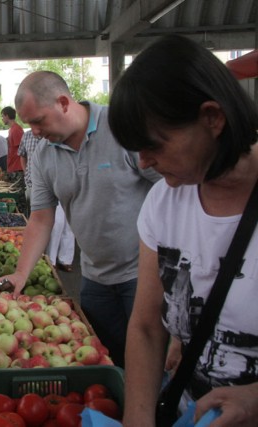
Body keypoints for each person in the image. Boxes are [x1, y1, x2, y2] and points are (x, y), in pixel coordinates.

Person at [108, 35, 258, 426]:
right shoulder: (163, 203)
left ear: (212, 118)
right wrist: (137, 418)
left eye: (154, 145)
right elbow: (145, 326)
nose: (143, 164)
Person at [0, 71, 161, 368]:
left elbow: (169, 187)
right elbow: (41, 218)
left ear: (63, 103)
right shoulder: (45, 154)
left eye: (38, 120)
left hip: (144, 275)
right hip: (94, 278)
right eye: (29, 123)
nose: (34, 131)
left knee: (151, 364)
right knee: (106, 362)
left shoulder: (122, 128)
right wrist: (21, 273)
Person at [18, 130, 75, 270]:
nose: (36, 128)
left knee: (68, 223)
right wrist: (26, 172)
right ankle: (51, 259)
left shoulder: (63, 134)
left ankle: (65, 259)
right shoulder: (27, 136)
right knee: (53, 222)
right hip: (38, 184)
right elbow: (22, 155)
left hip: (65, 183)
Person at [2, 106, 24, 178]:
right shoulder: (12, 129)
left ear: (7, 116)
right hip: (13, 167)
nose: (2, 119)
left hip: (17, 168)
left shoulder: (16, 130)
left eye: (2, 116)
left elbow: (22, 150)